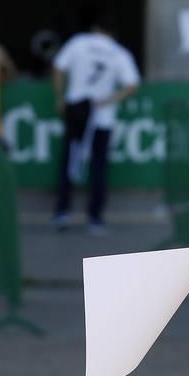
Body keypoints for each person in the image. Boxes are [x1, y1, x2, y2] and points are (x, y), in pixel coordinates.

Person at [50, 19, 140, 234]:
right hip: (101, 116)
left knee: (70, 161)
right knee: (98, 167)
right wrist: (109, 99)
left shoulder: (79, 43)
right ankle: (95, 218)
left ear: (95, 29)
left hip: (76, 112)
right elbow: (132, 84)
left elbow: (58, 67)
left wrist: (59, 97)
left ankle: (62, 212)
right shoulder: (119, 53)